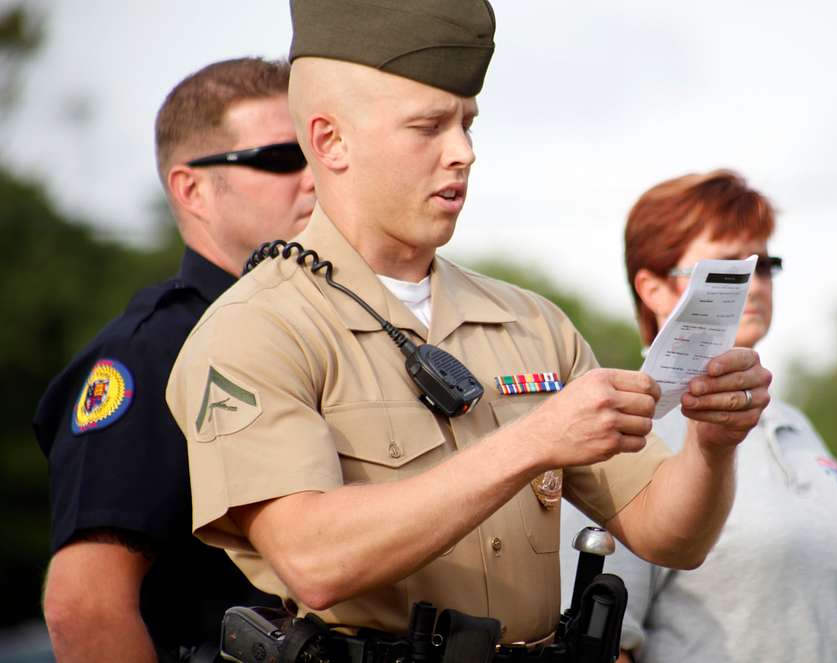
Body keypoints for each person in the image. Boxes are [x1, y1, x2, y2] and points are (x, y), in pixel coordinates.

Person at [164, 1, 772, 654]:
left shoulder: (532, 322)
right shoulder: (255, 329)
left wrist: (713, 444)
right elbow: (315, 561)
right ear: (330, 140)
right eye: (427, 126)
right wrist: (532, 441)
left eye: (467, 123)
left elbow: (669, 534)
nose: (463, 153)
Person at [33, 57, 316, 662]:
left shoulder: (319, 330)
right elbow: (83, 607)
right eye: (280, 158)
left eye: (319, 154)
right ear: (191, 189)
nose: (314, 178)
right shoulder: (150, 350)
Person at [560, 170, 837, 662]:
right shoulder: (626, 427)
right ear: (653, 288)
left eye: (764, 264)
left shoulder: (796, 423)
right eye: (727, 268)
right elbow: (602, 641)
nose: (754, 285)